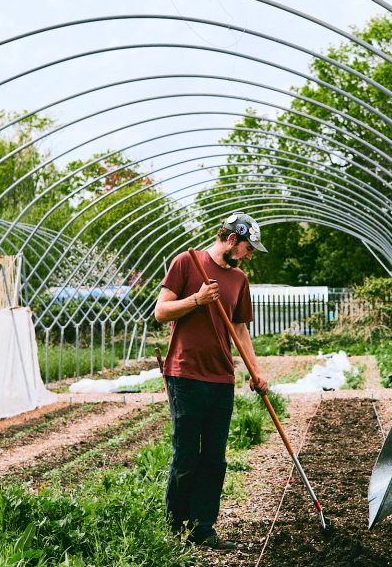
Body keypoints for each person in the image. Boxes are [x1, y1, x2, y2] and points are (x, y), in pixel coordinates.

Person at [153, 212, 270, 551]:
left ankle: (203, 528)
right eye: (248, 248)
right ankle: (176, 529)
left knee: (215, 458)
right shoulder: (186, 263)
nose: (249, 255)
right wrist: (197, 300)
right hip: (185, 374)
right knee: (187, 454)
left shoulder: (239, 280)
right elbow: (161, 312)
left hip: (221, 378)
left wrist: (255, 371)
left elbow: (240, 329)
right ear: (232, 239)